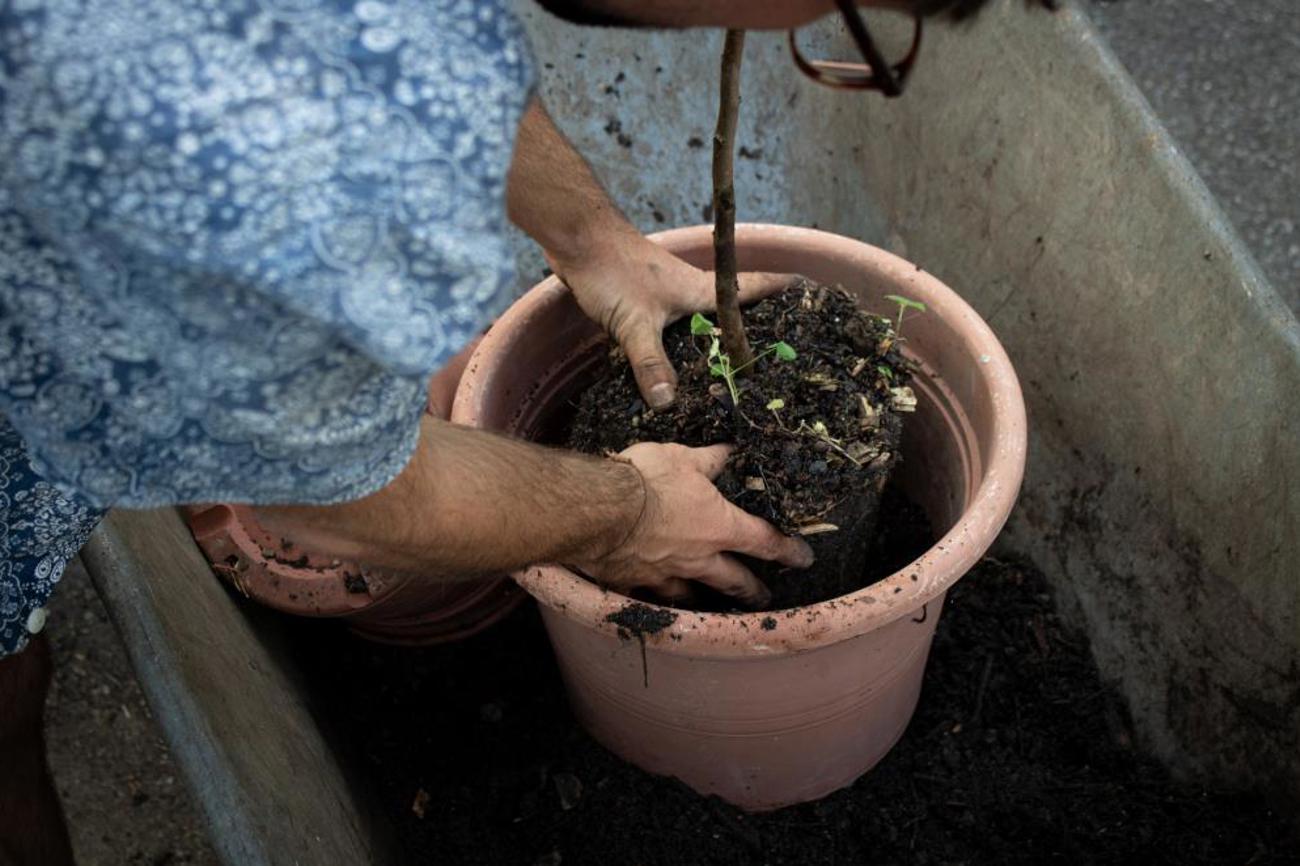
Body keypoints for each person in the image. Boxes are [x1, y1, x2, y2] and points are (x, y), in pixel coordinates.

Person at [0, 0, 999, 862]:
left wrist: (593, 240)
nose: (817, 35)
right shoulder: (268, 167)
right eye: (863, 14)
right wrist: (627, 512)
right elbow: (337, 491)